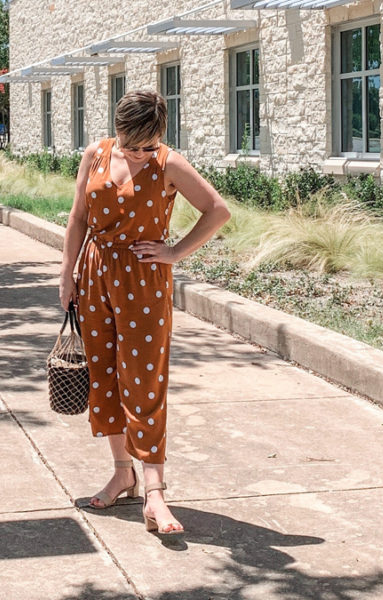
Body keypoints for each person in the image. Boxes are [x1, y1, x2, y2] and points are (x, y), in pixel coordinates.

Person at [58, 90, 231, 535]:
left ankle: (155, 492)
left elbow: (217, 210)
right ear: (117, 132)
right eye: (132, 146)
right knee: (104, 377)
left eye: (148, 146)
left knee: (144, 380)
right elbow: (78, 217)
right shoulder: (95, 154)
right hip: (94, 275)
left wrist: (174, 252)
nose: (140, 154)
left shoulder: (169, 162)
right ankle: (122, 472)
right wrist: (67, 275)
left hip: (143, 282)